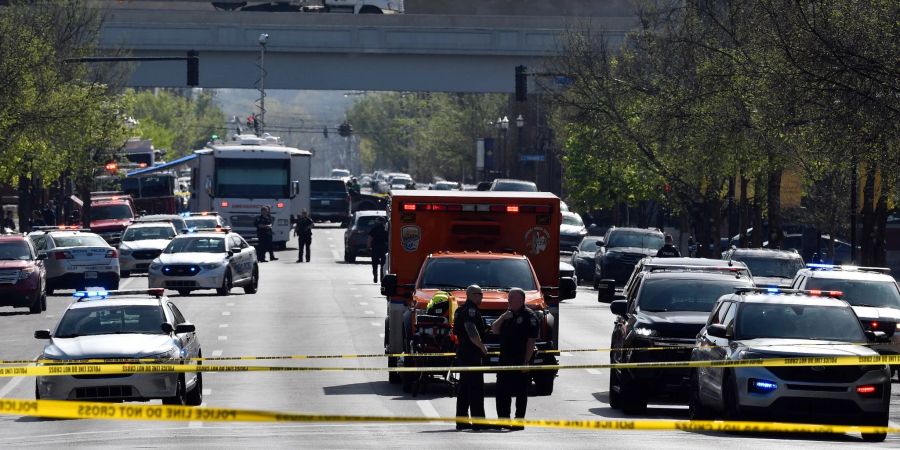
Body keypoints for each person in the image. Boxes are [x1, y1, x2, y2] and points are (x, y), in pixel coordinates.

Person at [490, 288, 538, 430]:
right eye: (508, 298)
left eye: (512, 298)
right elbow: (494, 329)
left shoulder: (529, 316)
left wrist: (527, 361)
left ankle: (518, 420)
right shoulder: (507, 315)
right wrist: (503, 317)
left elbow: (531, 341)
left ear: (522, 300)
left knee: (520, 392)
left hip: (520, 358)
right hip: (505, 358)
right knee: (501, 391)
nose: (509, 300)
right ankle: (503, 419)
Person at [453, 284, 488, 431]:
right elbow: (471, 330)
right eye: (479, 294)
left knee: (464, 388)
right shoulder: (471, 310)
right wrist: (481, 346)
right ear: (471, 295)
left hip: (463, 352)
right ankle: (478, 421)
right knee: (475, 388)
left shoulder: (461, 309)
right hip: (471, 353)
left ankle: (461, 420)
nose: (482, 297)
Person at [367, 216, 388, 283]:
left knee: (374, 264)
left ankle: (375, 276)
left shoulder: (374, 229)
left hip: (375, 249)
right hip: (384, 249)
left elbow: (369, 239)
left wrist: (368, 248)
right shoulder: (386, 230)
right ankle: (382, 278)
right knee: (383, 264)